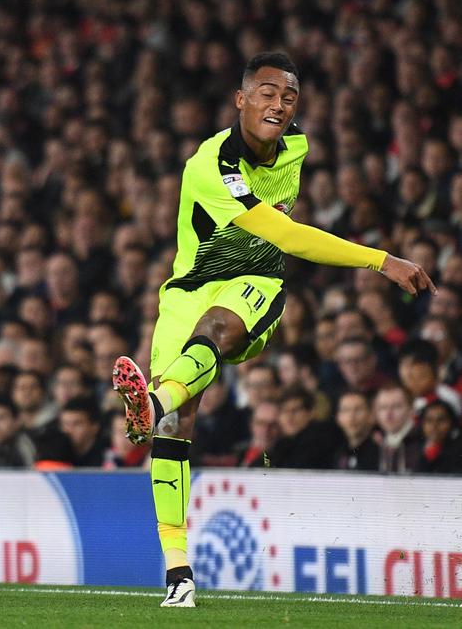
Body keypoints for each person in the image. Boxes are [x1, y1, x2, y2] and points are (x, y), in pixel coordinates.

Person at [110, 52, 436, 608]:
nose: (279, 104)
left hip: (254, 282)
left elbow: (284, 240)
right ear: (240, 100)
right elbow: (282, 229)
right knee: (176, 426)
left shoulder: (298, 148)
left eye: (288, 96)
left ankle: (153, 400)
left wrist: (380, 261)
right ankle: (178, 573)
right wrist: (382, 259)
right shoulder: (211, 166)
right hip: (187, 289)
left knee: (211, 339)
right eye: (266, 92)